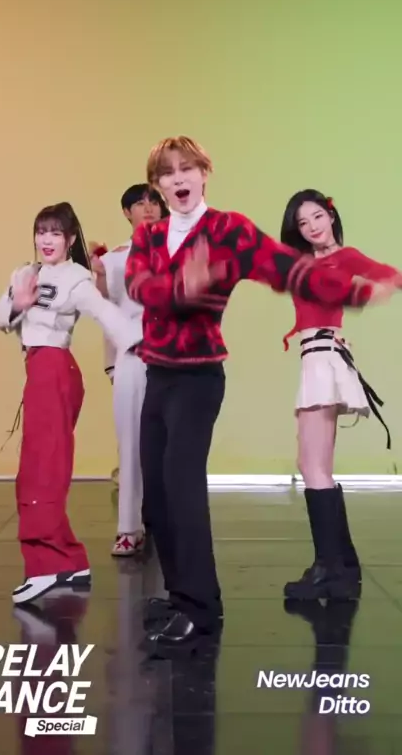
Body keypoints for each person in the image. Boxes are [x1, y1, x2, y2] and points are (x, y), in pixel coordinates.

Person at [124, 136, 397, 649]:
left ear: (204, 173)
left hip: (199, 377)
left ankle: (201, 610)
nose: (179, 179)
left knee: (182, 488)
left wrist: (358, 291)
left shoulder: (228, 230)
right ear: (157, 185)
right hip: (158, 373)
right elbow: (140, 287)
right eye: (168, 173)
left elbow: (288, 269)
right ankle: (180, 595)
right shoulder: (149, 235)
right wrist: (183, 286)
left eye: (187, 168)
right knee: (156, 497)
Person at [0, 201, 142, 605]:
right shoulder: (25, 273)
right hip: (38, 370)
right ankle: (69, 560)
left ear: (70, 238)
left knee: (43, 470)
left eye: (56, 233)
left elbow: (106, 313)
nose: (47, 240)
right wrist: (19, 303)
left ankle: (46, 566)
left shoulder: (76, 277)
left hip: (55, 370)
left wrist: (142, 344)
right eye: (41, 231)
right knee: (39, 468)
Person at [279, 189, 402, 601]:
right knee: (314, 465)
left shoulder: (344, 257)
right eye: (303, 222)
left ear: (331, 216)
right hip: (315, 356)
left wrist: (373, 293)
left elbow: (391, 276)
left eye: (318, 216)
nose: (312, 227)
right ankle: (342, 565)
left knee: (314, 467)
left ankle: (329, 569)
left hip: (323, 359)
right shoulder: (302, 263)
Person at [90, 185, 169, 557]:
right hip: (133, 354)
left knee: (172, 444)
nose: (148, 208)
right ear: (127, 212)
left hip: (173, 353)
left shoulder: (179, 249)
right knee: (131, 441)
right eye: (139, 203)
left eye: (154, 202)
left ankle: (169, 523)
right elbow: (104, 309)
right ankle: (128, 528)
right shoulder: (113, 259)